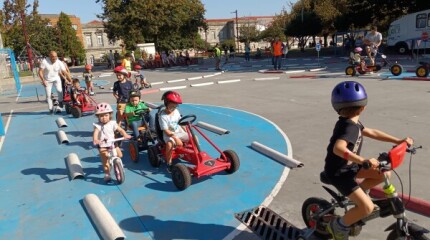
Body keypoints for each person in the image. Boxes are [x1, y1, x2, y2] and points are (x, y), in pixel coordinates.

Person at [324, 81, 413, 240]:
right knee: (367, 207)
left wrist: (399, 141)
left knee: (384, 173)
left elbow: (372, 132)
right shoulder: (349, 127)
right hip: (339, 173)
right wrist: (362, 160)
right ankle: (338, 226)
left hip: (349, 167)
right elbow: (338, 148)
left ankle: (358, 195)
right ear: (363, 106)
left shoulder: (352, 122)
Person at [93, 102, 131, 182]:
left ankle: (116, 163)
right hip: (103, 145)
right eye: (101, 116)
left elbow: (120, 129)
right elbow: (95, 133)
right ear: (98, 117)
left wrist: (124, 134)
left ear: (110, 115)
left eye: (106, 115)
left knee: (120, 154)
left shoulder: (112, 123)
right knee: (105, 160)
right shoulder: (98, 125)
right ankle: (107, 174)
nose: (104, 118)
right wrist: (96, 139)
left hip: (113, 143)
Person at [159, 91, 188, 173]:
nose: (173, 109)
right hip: (169, 135)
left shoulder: (176, 112)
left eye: (175, 107)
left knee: (194, 137)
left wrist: (186, 130)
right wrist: (175, 139)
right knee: (169, 144)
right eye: (171, 106)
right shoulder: (162, 116)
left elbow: (180, 122)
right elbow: (166, 130)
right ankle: (169, 163)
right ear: (166, 103)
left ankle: (198, 155)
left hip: (178, 132)